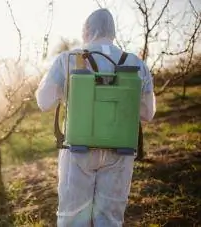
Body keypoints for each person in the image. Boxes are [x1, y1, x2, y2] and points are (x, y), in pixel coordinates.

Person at [35, 8, 156, 227]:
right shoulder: (137, 64)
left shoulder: (68, 59)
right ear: (113, 32)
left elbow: (44, 102)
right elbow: (148, 113)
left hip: (78, 150)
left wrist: (67, 92)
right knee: (109, 220)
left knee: (73, 219)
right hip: (120, 151)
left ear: (87, 30)